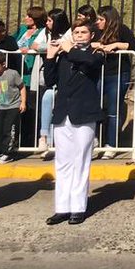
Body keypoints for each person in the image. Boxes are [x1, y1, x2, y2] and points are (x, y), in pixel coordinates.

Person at [42, 20, 104, 225]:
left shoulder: (96, 53)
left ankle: (78, 207)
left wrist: (69, 49)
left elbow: (90, 64)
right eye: (76, 32)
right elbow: (50, 81)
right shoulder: (65, 55)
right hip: (63, 113)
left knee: (80, 161)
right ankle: (62, 207)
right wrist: (51, 56)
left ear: (91, 35)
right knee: (63, 162)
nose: (79, 35)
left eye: (83, 32)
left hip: (84, 113)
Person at [92, 5, 135, 153]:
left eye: (101, 19)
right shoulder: (95, 31)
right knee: (93, 107)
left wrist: (116, 45)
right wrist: (99, 45)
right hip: (98, 73)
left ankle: (111, 144)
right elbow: (86, 42)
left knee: (113, 110)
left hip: (118, 73)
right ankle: (93, 138)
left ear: (109, 19)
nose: (97, 22)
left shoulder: (122, 29)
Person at [0, 56, 25, 163]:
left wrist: (23, 102)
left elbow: (22, 87)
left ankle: (7, 153)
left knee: (8, 130)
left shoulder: (12, 74)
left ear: (3, 65)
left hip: (13, 106)